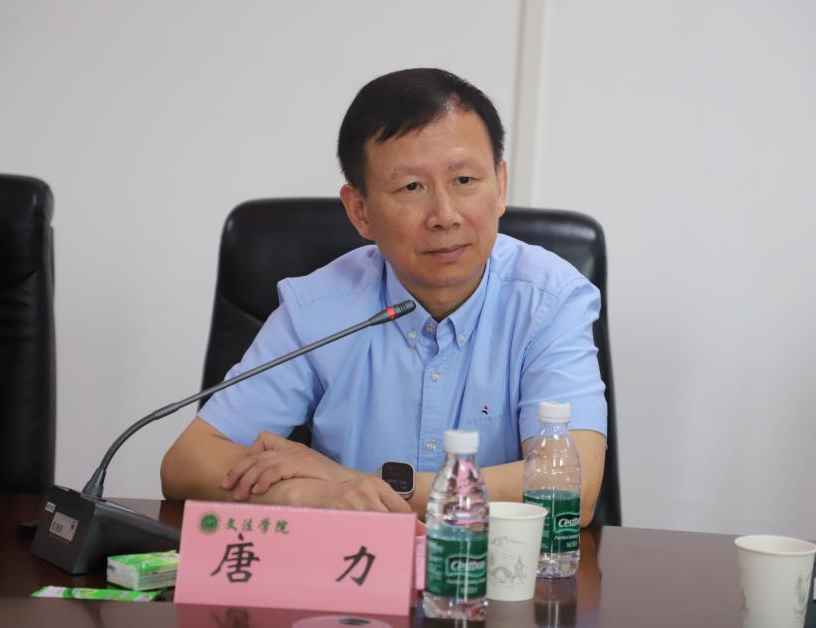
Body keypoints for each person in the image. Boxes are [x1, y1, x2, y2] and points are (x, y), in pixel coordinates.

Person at [161, 68, 607, 524]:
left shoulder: (549, 300)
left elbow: (573, 485)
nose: (444, 215)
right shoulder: (319, 308)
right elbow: (187, 461)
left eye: (464, 180)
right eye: (411, 187)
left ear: (501, 186)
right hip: (351, 565)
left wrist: (361, 484)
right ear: (360, 211)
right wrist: (308, 494)